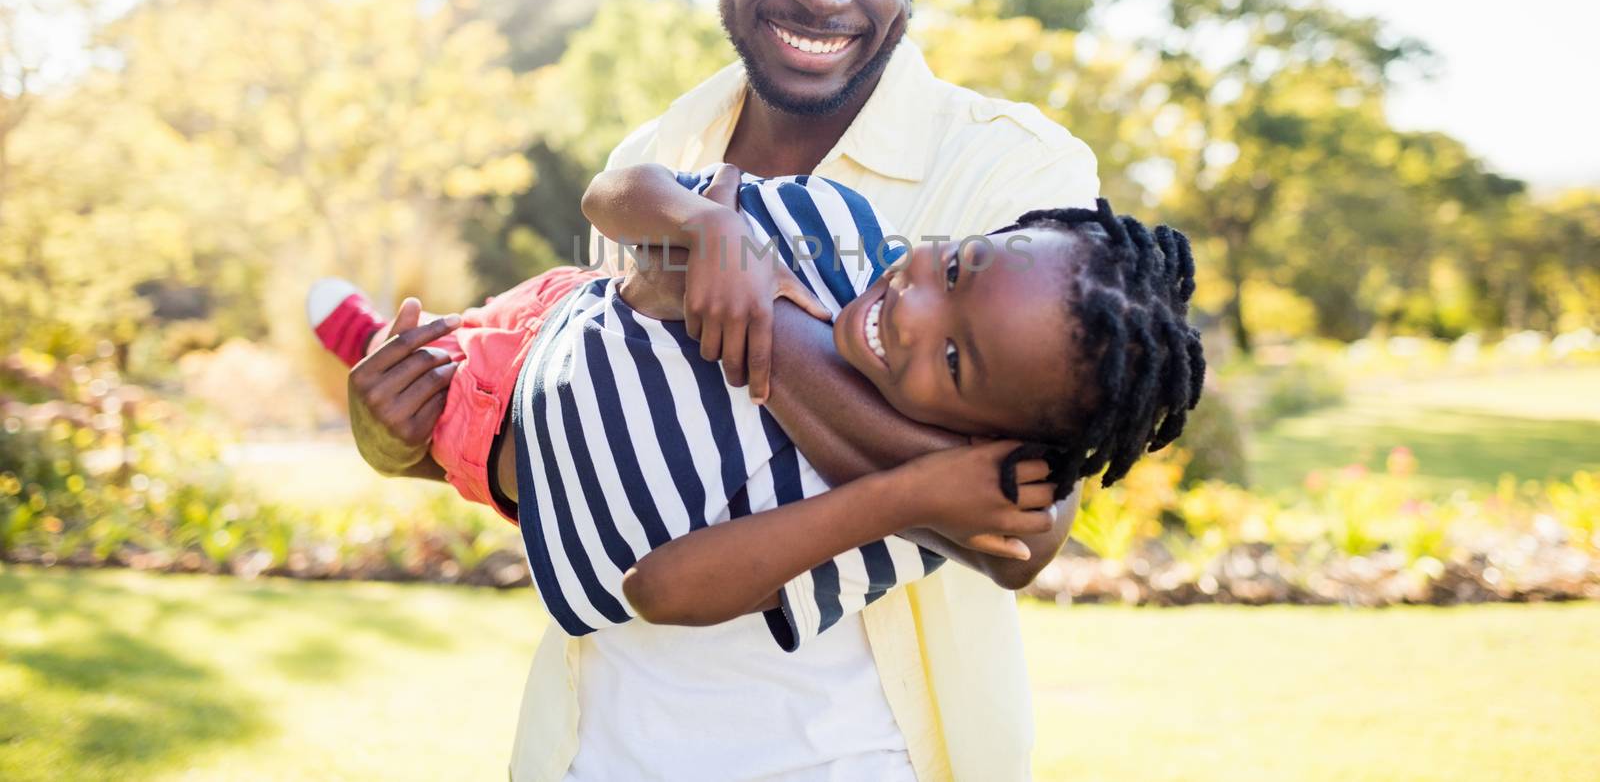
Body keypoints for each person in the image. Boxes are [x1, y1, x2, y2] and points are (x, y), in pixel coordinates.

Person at [348, 0, 1121, 781]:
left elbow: (1022, 519)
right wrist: (404, 444)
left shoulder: (1017, 171)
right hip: (600, 745)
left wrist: (731, 294)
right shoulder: (658, 148)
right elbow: (606, 453)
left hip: (867, 756)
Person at [312, 163, 1202, 657]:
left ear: (995, 431)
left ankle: (367, 337)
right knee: (443, 339)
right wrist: (712, 229)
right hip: (553, 315)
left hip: (498, 430)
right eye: (958, 265)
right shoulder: (823, 226)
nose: (917, 309)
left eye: (958, 359)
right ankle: (371, 331)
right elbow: (615, 198)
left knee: (424, 378)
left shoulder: (910, 522)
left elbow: (655, 589)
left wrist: (903, 498)